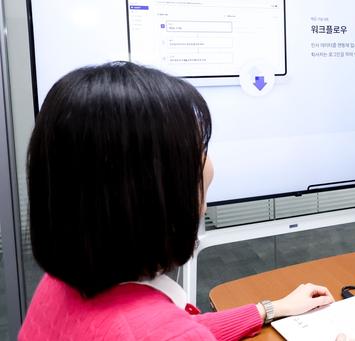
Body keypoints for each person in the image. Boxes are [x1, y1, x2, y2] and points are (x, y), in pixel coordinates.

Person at [19, 61, 335, 340]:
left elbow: (176, 329)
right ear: (146, 191)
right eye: (197, 151)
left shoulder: (61, 285)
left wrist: (271, 309)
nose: (209, 166)